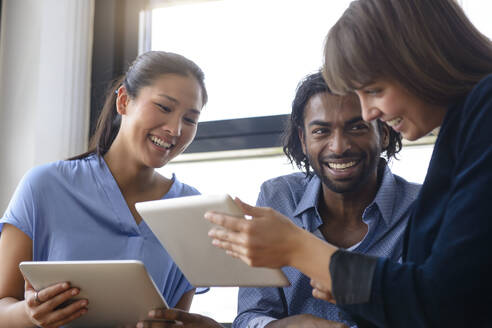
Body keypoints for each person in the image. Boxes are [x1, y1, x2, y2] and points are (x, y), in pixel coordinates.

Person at [205, 0, 492, 327]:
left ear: (421, 60)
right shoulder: (462, 128)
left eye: (374, 90)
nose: (370, 113)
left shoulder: (485, 110)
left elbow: (447, 302)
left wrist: (303, 251)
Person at [0, 50, 208, 328]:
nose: (175, 129)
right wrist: (29, 314)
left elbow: (177, 318)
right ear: (124, 101)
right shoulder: (44, 186)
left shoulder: (191, 209)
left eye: (190, 119)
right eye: (164, 107)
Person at [233, 72, 420, 328]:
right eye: (321, 131)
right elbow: (250, 314)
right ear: (303, 139)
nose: (339, 147)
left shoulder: (421, 207)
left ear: (384, 132)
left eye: (357, 127)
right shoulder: (279, 197)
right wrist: (280, 327)